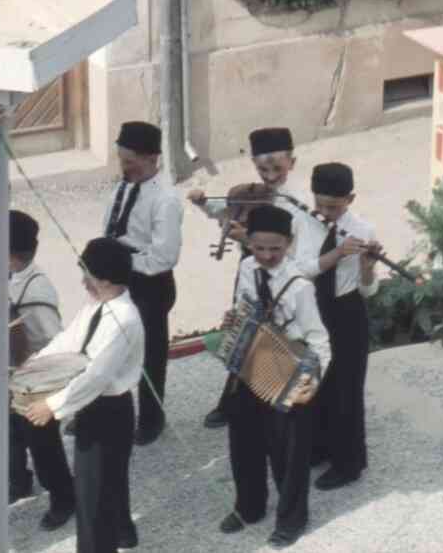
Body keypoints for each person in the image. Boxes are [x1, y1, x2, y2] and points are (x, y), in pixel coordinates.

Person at [219, 205, 331, 549]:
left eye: (275, 249)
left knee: (288, 453)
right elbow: (242, 306)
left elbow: (319, 339)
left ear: (289, 244)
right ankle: (249, 506)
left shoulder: (299, 286)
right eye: (259, 248)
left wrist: (312, 381)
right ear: (248, 242)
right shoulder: (246, 267)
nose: (267, 256)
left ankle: (292, 517)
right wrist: (232, 321)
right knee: (244, 444)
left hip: (287, 368)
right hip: (250, 365)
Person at [23, 237, 144, 553]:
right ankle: (123, 532)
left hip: (109, 408)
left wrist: (52, 405)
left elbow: (97, 375)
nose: (82, 281)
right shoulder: (97, 305)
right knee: (110, 481)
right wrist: (32, 368)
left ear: (104, 279)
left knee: (93, 494)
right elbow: (69, 340)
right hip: (95, 404)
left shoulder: (125, 318)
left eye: (86, 274)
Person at [194, 126, 310, 430]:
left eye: (276, 168)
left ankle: (270, 399)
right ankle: (232, 402)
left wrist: (249, 241)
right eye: (262, 168)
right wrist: (205, 204)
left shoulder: (298, 202)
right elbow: (228, 210)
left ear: (292, 163)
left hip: (279, 279)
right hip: (250, 273)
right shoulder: (252, 194)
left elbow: (294, 254)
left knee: (270, 339)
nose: (269, 175)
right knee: (243, 335)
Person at [295, 162, 380, 491]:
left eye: (334, 206)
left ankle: (348, 463)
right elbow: (300, 269)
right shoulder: (302, 221)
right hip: (312, 308)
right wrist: (336, 254)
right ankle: (319, 449)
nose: (326, 212)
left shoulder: (363, 229)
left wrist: (366, 266)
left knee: (346, 388)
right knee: (315, 384)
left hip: (347, 313)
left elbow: (369, 291)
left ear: (351, 199)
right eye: (320, 204)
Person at [102, 121, 183, 446]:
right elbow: (112, 226)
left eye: (130, 162)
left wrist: (120, 261)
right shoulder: (124, 186)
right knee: (106, 345)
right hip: (118, 277)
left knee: (150, 355)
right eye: (122, 160)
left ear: (152, 159)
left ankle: (151, 419)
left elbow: (163, 257)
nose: (124, 168)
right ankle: (99, 412)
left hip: (149, 284)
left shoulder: (164, 200)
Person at [6, 210, 76, 529]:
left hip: (35, 384)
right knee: (10, 437)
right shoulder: (7, 276)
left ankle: (64, 497)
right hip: (10, 378)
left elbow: (53, 341)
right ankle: (19, 481)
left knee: (43, 446)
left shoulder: (34, 293)